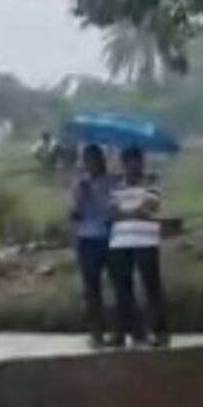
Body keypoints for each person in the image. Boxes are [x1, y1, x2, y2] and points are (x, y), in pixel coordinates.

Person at [105, 145, 168, 349]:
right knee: (122, 288)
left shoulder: (151, 182)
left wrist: (127, 212)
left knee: (151, 286)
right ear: (123, 163)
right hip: (120, 241)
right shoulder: (116, 185)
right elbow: (112, 211)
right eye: (129, 162)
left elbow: (150, 206)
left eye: (137, 161)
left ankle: (158, 331)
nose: (133, 166)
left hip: (145, 240)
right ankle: (127, 332)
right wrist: (133, 212)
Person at [69, 144, 116, 347]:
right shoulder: (79, 184)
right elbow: (74, 214)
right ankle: (97, 332)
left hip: (108, 237)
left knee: (117, 285)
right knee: (91, 288)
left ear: (100, 161)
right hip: (87, 239)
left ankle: (119, 330)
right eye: (86, 160)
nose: (89, 164)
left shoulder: (111, 183)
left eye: (93, 159)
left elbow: (113, 210)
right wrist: (82, 197)